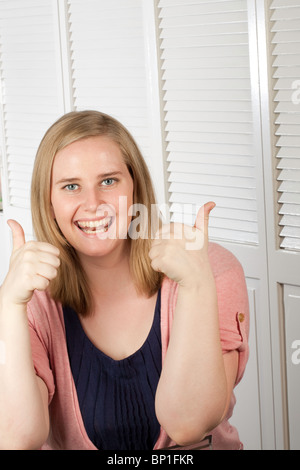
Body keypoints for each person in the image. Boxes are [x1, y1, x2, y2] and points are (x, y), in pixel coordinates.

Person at [0, 110, 249, 450]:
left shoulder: (212, 269)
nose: (93, 204)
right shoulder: (33, 300)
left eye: (108, 181)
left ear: (135, 186)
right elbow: (15, 439)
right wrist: (8, 306)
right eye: (71, 186)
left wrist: (197, 286)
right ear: (49, 202)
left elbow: (189, 425)